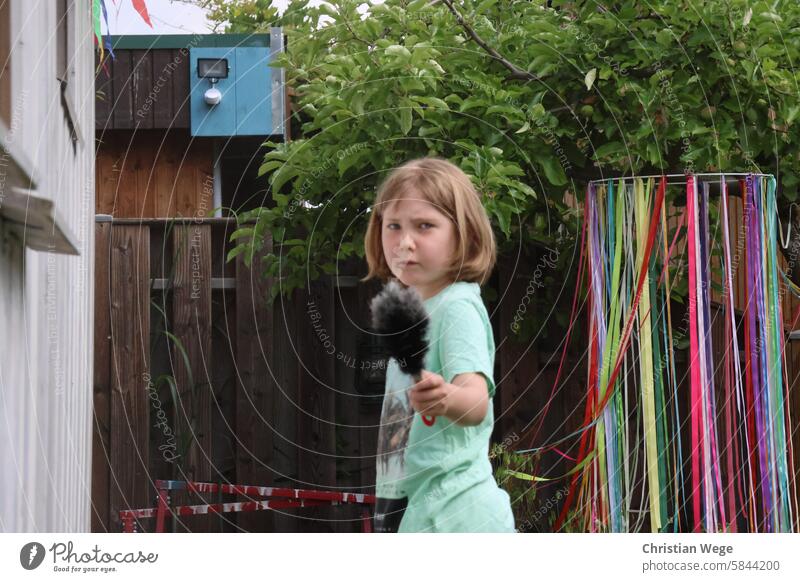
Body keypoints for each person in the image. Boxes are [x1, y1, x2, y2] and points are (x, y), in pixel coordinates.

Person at [362, 157, 515, 533]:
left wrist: (448, 397)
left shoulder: (456, 306)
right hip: (414, 504)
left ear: (464, 236)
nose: (405, 241)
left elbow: (478, 400)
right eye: (393, 226)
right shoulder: (414, 307)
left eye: (425, 226)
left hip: (454, 511)